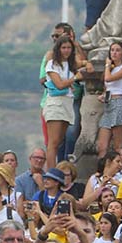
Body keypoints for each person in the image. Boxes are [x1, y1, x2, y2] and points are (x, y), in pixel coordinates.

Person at [44, 36, 88, 168]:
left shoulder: (70, 64)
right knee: (53, 142)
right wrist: (74, 79)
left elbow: (83, 63)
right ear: (58, 48)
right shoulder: (52, 64)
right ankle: (51, 171)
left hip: (67, 103)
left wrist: (87, 63)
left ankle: (57, 168)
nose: (66, 50)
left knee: (60, 142)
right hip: (56, 103)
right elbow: (59, 84)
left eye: (69, 47)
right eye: (63, 47)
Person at [96, 41, 122, 158]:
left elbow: (108, 79)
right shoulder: (111, 69)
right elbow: (107, 86)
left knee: (119, 146)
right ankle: (102, 171)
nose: (114, 53)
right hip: (108, 105)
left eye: (117, 50)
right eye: (112, 50)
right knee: (102, 146)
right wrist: (103, 95)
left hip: (118, 104)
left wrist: (107, 65)